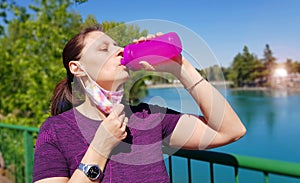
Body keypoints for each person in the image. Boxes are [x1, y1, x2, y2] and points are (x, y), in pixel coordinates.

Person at [33, 25, 246, 183]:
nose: (119, 50)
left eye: (116, 45)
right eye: (103, 48)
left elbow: (231, 131)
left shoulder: (148, 117)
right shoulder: (55, 130)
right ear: (76, 68)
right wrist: (100, 147)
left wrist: (180, 68)